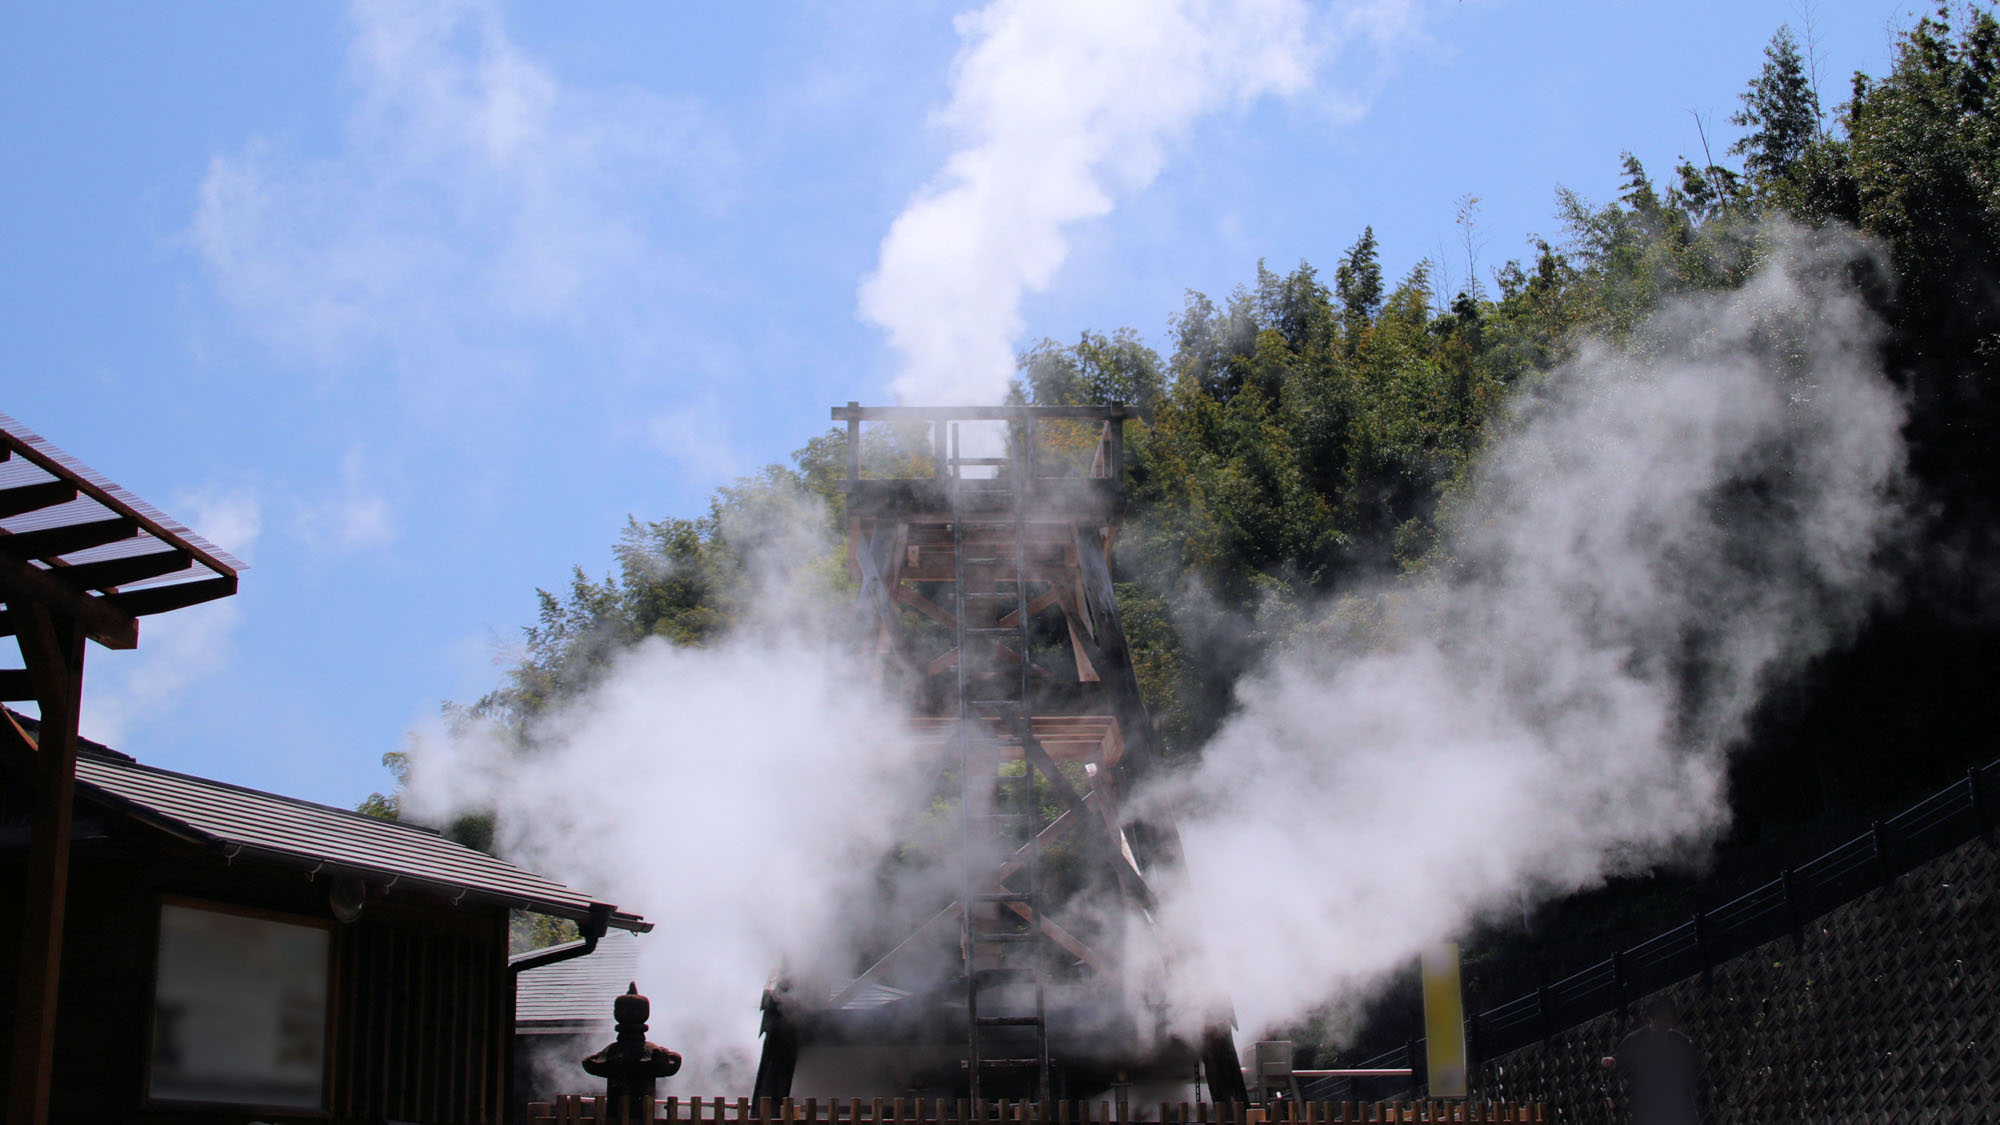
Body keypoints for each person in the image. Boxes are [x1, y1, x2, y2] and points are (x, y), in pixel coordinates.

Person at [1599, 997, 1700, 1125]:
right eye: (1662, 1018)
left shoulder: (1680, 1040)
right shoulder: (1637, 1039)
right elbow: (1621, 1056)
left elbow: (1692, 1065)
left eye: (1668, 1017)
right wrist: (1612, 1061)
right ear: (1651, 1018)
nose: (1665, 1022)